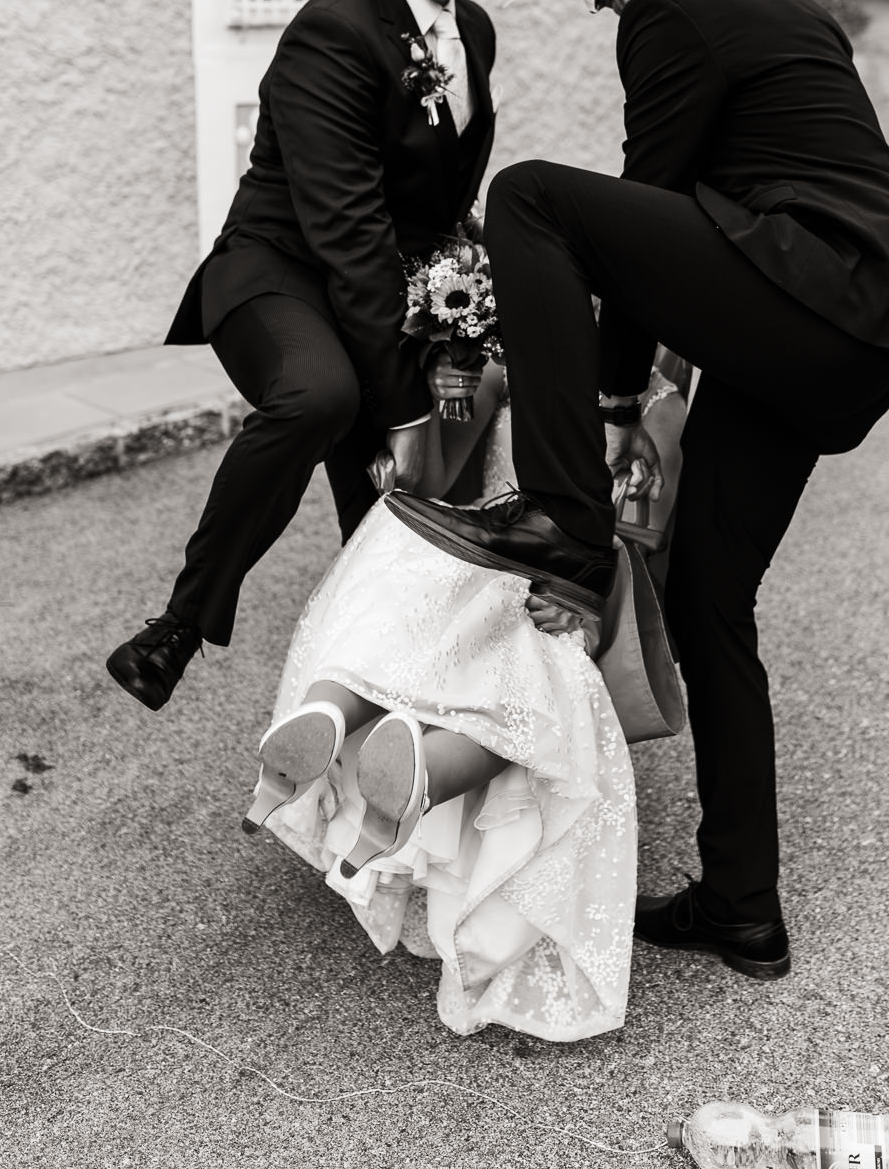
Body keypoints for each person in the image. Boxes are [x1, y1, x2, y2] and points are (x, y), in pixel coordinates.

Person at [385, 0, 889, 981]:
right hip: (843, 329)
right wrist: (616, 382)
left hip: (814, 289)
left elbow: (636, 225)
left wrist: (597, 412)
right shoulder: (772, 6)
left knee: (532, 197)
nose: (603, 9)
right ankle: (743, 905)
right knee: (707, 596)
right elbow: (681, 232)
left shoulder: (676, 12)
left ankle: (562, 522)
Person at [105, 0, 534, 714]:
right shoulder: (332, 31)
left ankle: (381, 712)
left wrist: (475, 296)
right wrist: (408, 404)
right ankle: (179, 624)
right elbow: (346, 228)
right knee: (325, 398)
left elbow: (440, 195)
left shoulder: (476, 32)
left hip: (387, 282)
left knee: (386, 514)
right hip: (280, 274)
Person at [242, 354, 687, 1039]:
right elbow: (647, 542)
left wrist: (459, 400)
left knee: (426, 655)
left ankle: (333, 709)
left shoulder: (529, 372)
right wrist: (459, 400)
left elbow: (433, 484)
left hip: (476, 572)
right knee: (521, 701)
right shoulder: (642, 403)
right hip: (526, 581)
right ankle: (419, 779)